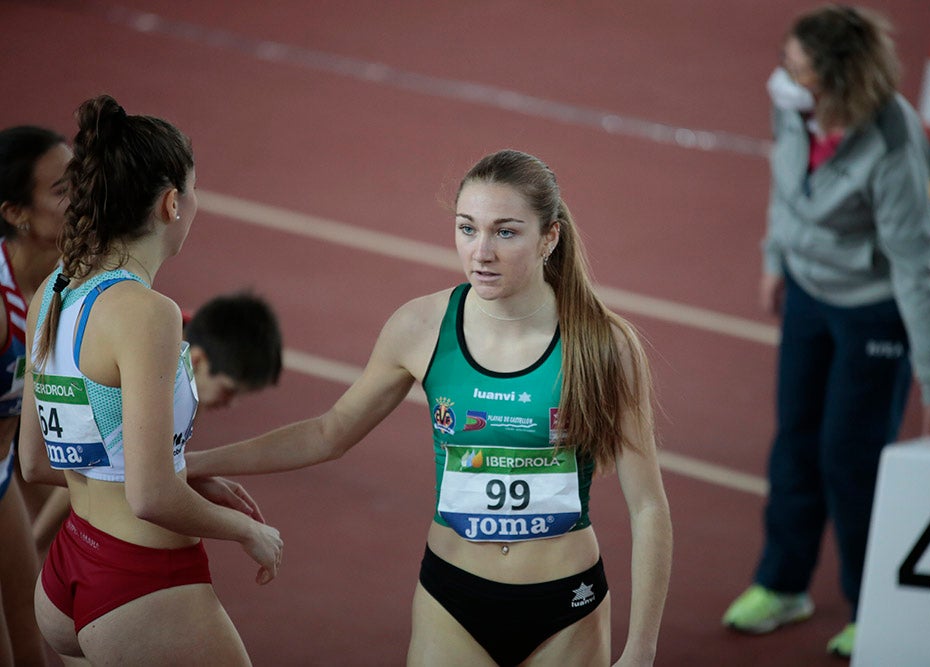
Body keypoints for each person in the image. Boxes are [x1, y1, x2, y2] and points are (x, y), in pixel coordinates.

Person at [186, 148, 673, 665]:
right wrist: (190, 465)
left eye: (505, 232)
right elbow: (328, 433)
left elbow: (648, 507)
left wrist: (640, 651)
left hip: (567, 606)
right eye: (467, 228)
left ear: (549, 237)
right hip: (454, 601)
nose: (480, 252)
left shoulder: (604, 345)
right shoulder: (420, 327)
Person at [722, 5, 930, 660]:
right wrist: (775, 259)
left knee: (851, 457)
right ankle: (782, 583)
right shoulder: (794, 111)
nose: (780, 77)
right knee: (796, 442)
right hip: (807, 293)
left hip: (872, 311)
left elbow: (918, 265)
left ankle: (873, 605)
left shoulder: (892, 141)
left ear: (833, 81)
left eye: (795, 68)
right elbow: (785, 187)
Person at [17, 95, 283, 665]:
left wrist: (175, 477)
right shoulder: (147, 313)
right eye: (194, 191)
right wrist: (244, 530)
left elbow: (38, 463)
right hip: (139, 583)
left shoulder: (54, 290)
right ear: (170, 203)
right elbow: (151, 496)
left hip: (68, 572)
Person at [30, 290, 286, 557]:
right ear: (198, 361)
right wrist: (35, 542)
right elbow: (95, 466)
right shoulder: (159, 369)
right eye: (229, 390)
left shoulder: (191, 352)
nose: (230, 404)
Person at [0, 125, 71, 666]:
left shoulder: (69, 285)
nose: (81, 199)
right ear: (16, 213)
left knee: (31, 645)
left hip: (1, 477)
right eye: (62, 190)